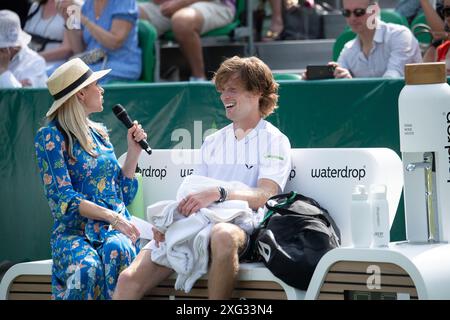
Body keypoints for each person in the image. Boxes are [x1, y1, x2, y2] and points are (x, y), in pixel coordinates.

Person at [113, 56, 292, 299]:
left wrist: (220, 192)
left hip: (243, 226)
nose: (224, 97)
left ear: (257, 91)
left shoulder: (275, 140)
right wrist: (169, 223)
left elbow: (267, 194)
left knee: (222, 235)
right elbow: (193, 194)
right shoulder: (213, 141)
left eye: (232, 89)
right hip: (198, 223)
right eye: (221, 91)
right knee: (127, 280)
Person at [34, 58, 147, 299]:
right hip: (74, 232)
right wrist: (112, 217)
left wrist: (133, 154)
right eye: (97, 84)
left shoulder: (100, 133)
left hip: (112, 229)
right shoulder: (50, 137)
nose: (102, 89)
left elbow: (122, 194)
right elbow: (63, 200)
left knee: (117, 249)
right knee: (87, 267)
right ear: (81, 94)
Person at [138, 0, 235, 81]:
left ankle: (199, 80)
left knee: (182, 21)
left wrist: (181, 2)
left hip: (216, 3)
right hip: (170, 3)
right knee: (129, 15)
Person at [331, 0, 422, 78]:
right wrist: (344, 80)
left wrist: (353, 85)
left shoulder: (399, 35)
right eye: (346, 13)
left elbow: (391, 81)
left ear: (374, 10)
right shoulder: (348, 49)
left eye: (359, 12)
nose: (352, 18)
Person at [56, 0, 141, 83]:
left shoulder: (124, 2)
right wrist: (69, 18)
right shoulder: (89, 3)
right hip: (92, 64)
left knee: (64, 79)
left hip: (121, 65)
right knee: (51, 74)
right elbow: (78, 50)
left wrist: (82, 18)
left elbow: (114, 43)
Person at [0, 10, 47, 88]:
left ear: (10, 47)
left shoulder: (35, 63)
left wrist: (3, 71)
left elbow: (20, 97)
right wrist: (18, 84)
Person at [24, 0, 73, 71]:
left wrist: (33, 58)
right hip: (28, 61)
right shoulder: (35, 5)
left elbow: (68, 49)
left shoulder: (74, 8)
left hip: (53, 66)